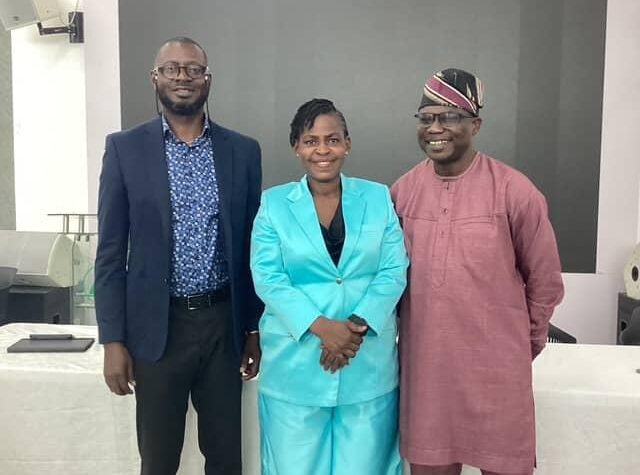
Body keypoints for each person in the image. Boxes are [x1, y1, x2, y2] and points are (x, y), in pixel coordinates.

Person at [94, 36, 263, 475]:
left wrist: (252, 327)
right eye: (172, 68)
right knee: (158, 460)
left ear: (208, 79)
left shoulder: (243, 151)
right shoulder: (125, 149)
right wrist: (113, 340)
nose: (182, 77)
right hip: (156, 329)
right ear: (155, 78)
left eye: (193, 69)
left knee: (226, 460)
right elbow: (110, 253)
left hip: (222, 325)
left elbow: (251, 248)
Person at [391, 68, 565, 475]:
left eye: (449, 117)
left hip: (497, 373)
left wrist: (523, 344)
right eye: (426, 117)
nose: (435, 128)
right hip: (427, 373)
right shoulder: (402, 192)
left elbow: (545, 281)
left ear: (476, 125)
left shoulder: (514, 191)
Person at [250, 98, 408, 475]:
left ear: (347, 144)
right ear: (296, 147)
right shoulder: (273, 205)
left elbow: (393, 269)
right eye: (311, 141)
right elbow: (268, 277)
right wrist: (323, 328)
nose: (322, 150)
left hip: (366, 366)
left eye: (332, 139)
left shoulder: (378, 197)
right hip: (295, 368)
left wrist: (352, 330)